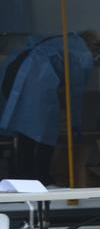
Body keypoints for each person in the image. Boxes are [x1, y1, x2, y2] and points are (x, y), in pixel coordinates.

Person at [0, 33, 94, 185]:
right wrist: (74, 122)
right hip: (37, 74)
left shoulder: (57, 41)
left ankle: (22, 177)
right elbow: (75, 89)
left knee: (25, 130)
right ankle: (42, 178)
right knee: (45, 131)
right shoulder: (82, 52)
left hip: (13, 68)